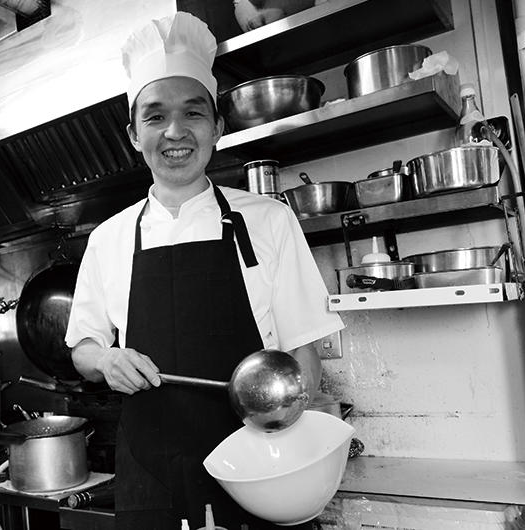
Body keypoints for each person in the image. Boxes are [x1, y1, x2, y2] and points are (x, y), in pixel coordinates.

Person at [64, 11, 344, 530]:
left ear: (217, 127)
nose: (175, 132)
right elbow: (83, 347)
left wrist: (286, 431)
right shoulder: (107, 238)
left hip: (259, 466)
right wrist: (105, 359)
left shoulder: (270, 220)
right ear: (133, 134)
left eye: (192, 113)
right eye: (154, 117)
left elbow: (303, 351)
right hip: (150, 473)